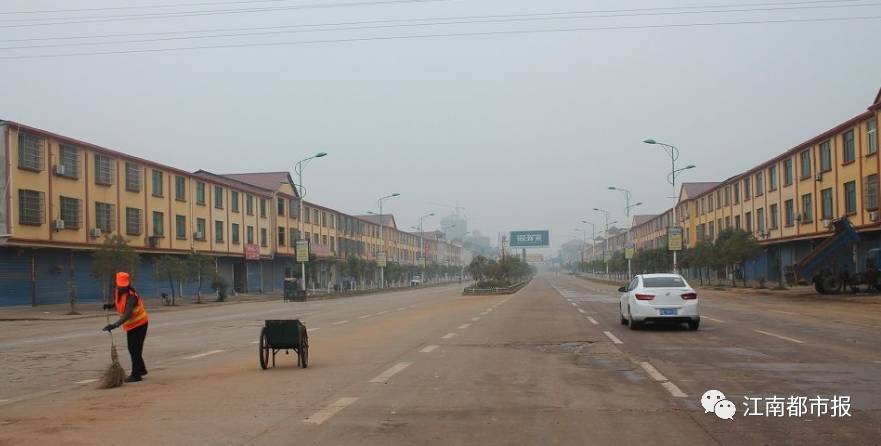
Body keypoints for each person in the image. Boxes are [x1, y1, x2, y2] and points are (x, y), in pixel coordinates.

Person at [102, 272, 149, 382]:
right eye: (120, 286)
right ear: (117, 284)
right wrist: (111, 305)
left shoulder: (131, 295)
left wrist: (115, 325)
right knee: (133, 349)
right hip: (132, 326)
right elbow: (119, 302)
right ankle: (141, 370)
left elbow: (127, 313)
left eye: (124, 286)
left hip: (140, 324)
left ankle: (136, 375)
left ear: (127, 284)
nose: (122, 288)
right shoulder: (119, 291)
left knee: (134, 349)